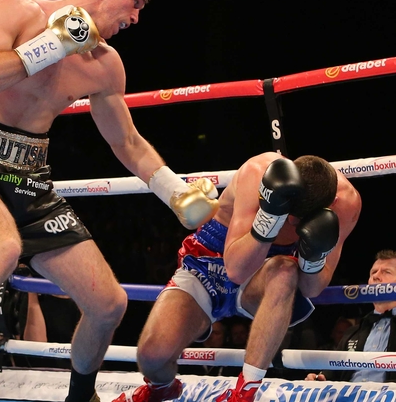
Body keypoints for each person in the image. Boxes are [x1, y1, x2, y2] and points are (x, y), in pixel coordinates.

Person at [0, 0, 221, 402]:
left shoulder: (105, 65)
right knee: (1, 249)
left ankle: (81, 397)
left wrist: (174, 190)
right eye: (134, 3)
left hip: (31, 177)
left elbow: (127, 143)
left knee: (108, 303)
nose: (135, 18)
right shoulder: (16, 9)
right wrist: (51, 46)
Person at [129, 153, 361, 402]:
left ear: (331, 203)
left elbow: (313, 288)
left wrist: (312, 257)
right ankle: (161, 387)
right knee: (151, 357)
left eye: (299, 219)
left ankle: (245, 392)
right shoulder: (257, 172)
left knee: (286, 271)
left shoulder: (346, 203)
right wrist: (268, 220)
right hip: (214, 260)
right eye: (290, 213)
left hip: (264, 278)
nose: (291, 222)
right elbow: (235, 269)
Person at [306, 249, 396, 383]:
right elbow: (333, 372)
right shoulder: (353, 332)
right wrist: (320, 378)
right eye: (373, 272)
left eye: (386, 272)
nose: (376, 276)